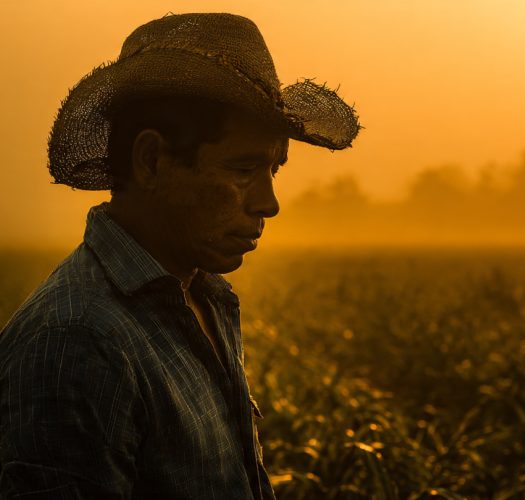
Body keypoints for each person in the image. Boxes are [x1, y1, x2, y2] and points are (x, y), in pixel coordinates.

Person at [0, 12, 359, 499]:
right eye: (243, 168)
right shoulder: (74, 343)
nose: (268, 203)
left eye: (274, 168)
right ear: (152, 160)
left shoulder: (204, 297)